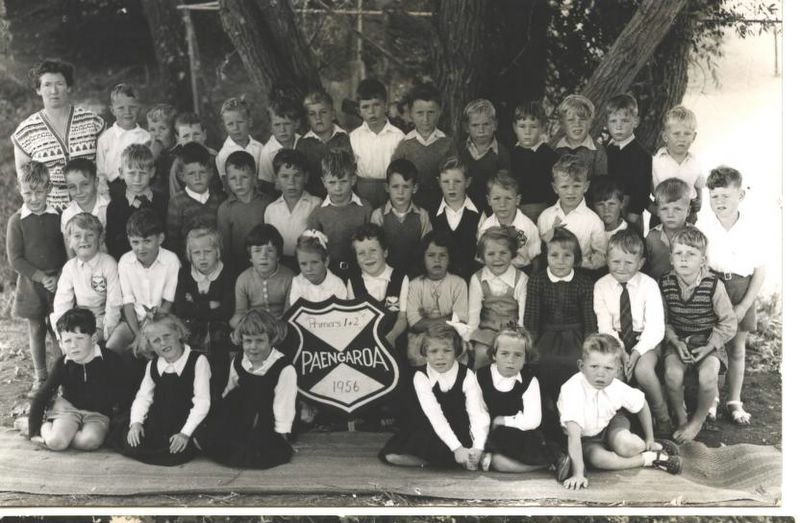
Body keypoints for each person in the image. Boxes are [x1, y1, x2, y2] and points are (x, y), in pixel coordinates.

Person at [557, 333, 681, 490]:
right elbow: (573, 437)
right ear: (581, 366)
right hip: (585, 439)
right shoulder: (572, 390)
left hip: (611, 424)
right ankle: (651, 458)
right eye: (594, 366)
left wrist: (649, 437)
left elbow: (642, 404)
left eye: (608, 368)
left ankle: (650, 444)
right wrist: (578, 474)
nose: (601, 374)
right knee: (598, 459)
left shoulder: (615, 386)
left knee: (629, 446)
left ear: (618, 370)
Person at [696, 166, 766, 425]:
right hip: (713, 288)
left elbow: (760, 271)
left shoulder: (752, 228)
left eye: (726, 195)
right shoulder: (704, 226)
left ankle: (734, 400)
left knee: (736, 348)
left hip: (741, 289)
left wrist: (744, 305)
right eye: (714, 196)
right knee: (715, 345)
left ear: (741, 195)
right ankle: (712, 398)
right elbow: (701, 263)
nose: (720, 201)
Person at [660, 227, 737, 443]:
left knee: (708, 376)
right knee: (672, 374)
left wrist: (710, 346)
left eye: (691, 254)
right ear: (671, 258)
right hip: (678, 340)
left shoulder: (714, 285)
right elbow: (662, 321)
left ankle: (698, 421)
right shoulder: (664, 283)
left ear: (703, 260)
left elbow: (729, 322)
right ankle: (682, 417)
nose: (683, 259)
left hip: (708, 341)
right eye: (678, 253)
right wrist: (675, 342)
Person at [379, 324, 489, 470]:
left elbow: (477, 413)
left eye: (447, 350)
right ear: (425, 353)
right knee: (392, 456)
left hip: (461, 428)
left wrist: (478, 447)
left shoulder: (467, 375)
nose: (440, 356)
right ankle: (451, 460)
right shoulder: (421, 376)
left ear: (456, 351)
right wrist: (456, 448)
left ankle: (469, 456)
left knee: (477, 441)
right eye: (433, 351)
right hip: (432, 427)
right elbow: (435, 415)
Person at [593, 229, 671, 435]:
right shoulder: (601, 286)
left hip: (645, 341)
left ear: (641, 263)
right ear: (607, 259)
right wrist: (620, 351)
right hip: (614, 340)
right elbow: (604, 326)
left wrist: (636, 352)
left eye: (629, 262)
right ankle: (617, 422)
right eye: (616, 261)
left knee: (643, 371)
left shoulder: (649, 285)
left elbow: (656, 327)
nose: (622, 267)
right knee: (614, 372)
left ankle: (662, 415)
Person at [204, 309, 296, 469]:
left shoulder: (283, 367)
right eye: (248, 341)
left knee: (259, 450)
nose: (253, 347)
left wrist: (282, 433)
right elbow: (230, 388)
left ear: (271, 340)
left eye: (260, 341)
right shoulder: (239, 360)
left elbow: (284, 404)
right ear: (241, 341)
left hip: (267, 416)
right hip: (242, 414)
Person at [117, 311, 211, 466]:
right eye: (156, 340)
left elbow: (202, 402)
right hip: (159, 421)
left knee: (176, 453)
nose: (163, 343)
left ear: (178, 333)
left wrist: (185, 433)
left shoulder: (198, 361)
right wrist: (136, 423)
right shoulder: (153, 365)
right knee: (132, 444)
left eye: (167, 336)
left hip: (186, 421)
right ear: (150, 345)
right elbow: (143, 397)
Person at [26, 308, 127, 451]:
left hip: (97, 414)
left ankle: (67, 435)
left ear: (93, 338)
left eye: (79, 338)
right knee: (56, 442)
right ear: (61, 344)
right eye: (67, 341)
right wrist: (34, 431)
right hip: (68, 409)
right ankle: (47, 428)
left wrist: (118, 424)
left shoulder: (110, 360)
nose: (73, 345)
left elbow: (125, 392)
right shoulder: (63, 364)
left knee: (89, 442)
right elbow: (42, 396)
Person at [6, 161, 67, 395]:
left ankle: (61, 377)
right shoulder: (17, 221)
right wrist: (41, 277)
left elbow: (65, 251)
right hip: (31, 285)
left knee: (58, 330)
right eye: (28, 193)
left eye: (39, 192)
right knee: (37, 329)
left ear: (49, 188)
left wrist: (59, 276)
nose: (34, 198)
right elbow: (15, 259)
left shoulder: (58, 216)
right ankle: (41, 376)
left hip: (57, 285)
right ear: (20, 190)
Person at [12, 59, 105, 211]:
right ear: (38, 90)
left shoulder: (92, 122)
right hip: (50, 212)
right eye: (47, 85)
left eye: (60, 84)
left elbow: (106, 168)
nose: (54, 91)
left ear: (69, 87)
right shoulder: (26, 131)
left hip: (92, 209)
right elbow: (24, 180)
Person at [523, 228, 596, 415]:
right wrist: (529, 345)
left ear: (576, 257)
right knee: (540, 361)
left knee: (575, 362)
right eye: (554, 255)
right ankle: (547, 412)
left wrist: (590, 346)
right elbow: (531, 319)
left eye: (567, 255)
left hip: (575, 336)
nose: (560, 261)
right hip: (545, 335)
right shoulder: (537, 281)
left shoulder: (584, 282)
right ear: (546, 256)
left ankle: (573, 411)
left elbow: (589, 319)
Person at [476, 325, 552, 473]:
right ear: (494, 355)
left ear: (526, 358)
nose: (510, 360)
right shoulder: (481, 376)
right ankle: (547, 465)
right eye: (504, 354)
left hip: (518, 434)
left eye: (518, 355)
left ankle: (547, 463)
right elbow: (478, 411)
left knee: (504, 441)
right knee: (497, 461)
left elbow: (533, 420)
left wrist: (503, 420)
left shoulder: (529, 381)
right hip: (486, 431)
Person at [116, 209, 181, 371]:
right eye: (135, 242)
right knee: (112, 348)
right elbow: (128, 304)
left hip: (163, 317)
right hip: (134, 321)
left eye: (147, 241)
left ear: (160, 239)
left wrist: (150, 330)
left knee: (163, 349)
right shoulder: (125, 262)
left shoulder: (171, 260)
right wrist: (139, 335)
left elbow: (168, 301)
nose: (141, 248)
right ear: (129, 240)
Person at [174, 227, 235, 397]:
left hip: (219, 326)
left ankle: (217, 394)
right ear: (189, 255)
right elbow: (181, 309)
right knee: (189, 354)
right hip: (192, 325)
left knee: (218, 355)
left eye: (207, 252)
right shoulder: (185, 274)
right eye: (196, 253)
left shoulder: (227, 274)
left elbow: (226, 311)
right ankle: (192, 394)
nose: (202, 257)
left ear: (218, 252)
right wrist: (209, 305)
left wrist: (195, 306)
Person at [51, 213, 125, 351]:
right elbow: (62, 303)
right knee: (72, 346)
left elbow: (114, 303)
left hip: (103, 319)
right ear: (69, 241)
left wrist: (103, 331)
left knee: (98, 348)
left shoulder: (108, 264)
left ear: (100, 238)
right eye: (77, 236)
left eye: (90, 235)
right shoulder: (70, 267)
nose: (83, 240)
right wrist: (63, 331)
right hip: (79, 319)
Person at [467, 226, 528, 370]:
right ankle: (481, 380)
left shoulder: (521, 279)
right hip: (487, 331)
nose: (497, 259)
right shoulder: (477, 279)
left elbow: (523, 317)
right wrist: (469, 337)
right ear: (482, 256)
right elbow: (473, 314)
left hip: (512, 331)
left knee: (512, 355)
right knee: (482, 354)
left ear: (512, 254)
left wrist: (520, 338)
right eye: (491, 254)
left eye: (503, 253)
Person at [306, 149, 373, 280]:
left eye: (343, 181)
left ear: (353, 180)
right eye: (332, 182)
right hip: (329, 274)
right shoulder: (317, 214)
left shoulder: (365, 209)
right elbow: (312, 251)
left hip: (362, 272)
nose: (338, 188)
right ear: (324, 182)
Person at [391, 82, 457, 214]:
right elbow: (395, 178)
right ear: (411, 114)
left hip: (442, 207)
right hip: (412, 208)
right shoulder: (404, 145)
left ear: (439, 112)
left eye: (431, 112)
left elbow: (455, 177)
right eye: (420, 113)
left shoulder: (447, 143)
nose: (426, 119)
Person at [406, 232, 469, 367]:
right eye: (431, 255)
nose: (437, 260)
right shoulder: (414, 285)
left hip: (451, 335)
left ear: (450, 258)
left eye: (442, 255)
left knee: (453, 351)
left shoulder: (458, 283)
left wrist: (429, 322)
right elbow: (415, 322)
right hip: (422, 336)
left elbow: (460, 319)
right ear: (423, 258)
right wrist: (448, 319)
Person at [537, 154, 607, 271]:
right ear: (555, 188)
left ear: (586, 186)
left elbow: (601, 256)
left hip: (581, 275)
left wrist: (586, 262)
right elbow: (539, 251)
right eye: (564, 186)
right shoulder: (545, 216)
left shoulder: (593, 221)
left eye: (576, 186)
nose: (570, 192)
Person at [347, 224, 409, 349]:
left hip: (393, 341)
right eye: (361, 253)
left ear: (385, 252)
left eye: (373, 250)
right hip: (365, 344)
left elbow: (402, 318)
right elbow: (353, 318)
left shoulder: (400, 278)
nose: (368, 257)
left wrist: (391, 338)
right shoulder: (353, 282)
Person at [105, 143, 169, 260]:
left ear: (152, 172)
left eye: (142, 173)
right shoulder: (115, 207)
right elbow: (113, 244)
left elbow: (168, 239)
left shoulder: (163, 202)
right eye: (132, 173)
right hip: (127, 265)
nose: (137, 179)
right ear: (121, 173)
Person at [370, 158, 432, 278]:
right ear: (387, 187)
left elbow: (428, 249)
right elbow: (375, 250)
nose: (400, 192)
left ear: (415, 188)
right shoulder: (378, 215)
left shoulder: (422, 215)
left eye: (406, 186)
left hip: (416, 275)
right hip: (386, 276)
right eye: (395, 186)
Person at [349, 78, 405, 209]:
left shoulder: (398, 137)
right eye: (365, 107)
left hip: (391, 193)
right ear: (359, 111)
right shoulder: (354, 137)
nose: (371, 111)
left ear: (386, 106)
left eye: (376, 105)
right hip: (362, 193)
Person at [216, 151, 274, 276]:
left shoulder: (268, 203)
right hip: (237, 266)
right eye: (233, 178)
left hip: (266, 261)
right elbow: (225, 248)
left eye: (244, 177)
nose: (238, 183)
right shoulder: (225, 209)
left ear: (254, 178)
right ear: (227, 181)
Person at [263, 149, 322, 271]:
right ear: (276, 179)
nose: (291, 182)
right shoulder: (271, 209)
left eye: (297, 175)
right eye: (285, 176)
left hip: (308, 263)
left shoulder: (316, 204)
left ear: (306, 177)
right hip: (280, 265)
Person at [165, 142, 225, 260]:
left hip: (215, 259)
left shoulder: (219, 199)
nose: (197, 178)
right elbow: (172, 239)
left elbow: (222, 235)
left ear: (211, 173)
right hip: (187, 261)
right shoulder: (177, 202)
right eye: (191, 173)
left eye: (202, 172)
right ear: (182, 176)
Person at [230, 224, 294, 327]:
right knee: (234, 322)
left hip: (280, 324)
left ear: (278, 256)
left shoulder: (290, 278)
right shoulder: (243, 279)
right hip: (254, 326)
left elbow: (289, 314)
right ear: (250, 257)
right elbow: (240, 312)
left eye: (270, 250)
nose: (264, 256)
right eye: (257, 250)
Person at [604, 94, 651, 234]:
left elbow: (642, 192)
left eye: (624, 121)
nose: (618, 126)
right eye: (613, 121)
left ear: (635, 121)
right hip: (606, 212)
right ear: (607, 123)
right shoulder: (605, 151)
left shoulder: (642, 155)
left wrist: (631, 218)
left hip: (629, 215)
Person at [476, 171, 541, 272]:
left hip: (522, 270)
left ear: (517, 200)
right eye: (496, 198)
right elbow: (482, 259)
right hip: (494, 272)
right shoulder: (485, 228)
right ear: (489, 200)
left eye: (508, 198)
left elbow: (535, 257)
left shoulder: (528, 226)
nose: (502, 204)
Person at [431, 157, 482, 281]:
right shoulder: (432, 212)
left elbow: (483, 251)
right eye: (446, 181)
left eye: (457, 181)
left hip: (472, 277)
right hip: (440, 279)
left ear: (467, 182)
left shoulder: (479, 213)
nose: (451, 187)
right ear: (439, 182)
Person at [651, 105, 704, 225]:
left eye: (687, 134)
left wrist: (700, 200)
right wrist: (654, 210)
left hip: (688, 213)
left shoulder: (694, 162)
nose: (682, 139)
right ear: (665, 136)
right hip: (662, 211)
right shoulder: (656, 161)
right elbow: (646, 190)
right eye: (676, 134)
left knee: (686, 237)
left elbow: (698, 184)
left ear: (694, 137)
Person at [95, 83, 150, 199]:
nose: (127, 112)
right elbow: (101, 172)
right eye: (121, 108)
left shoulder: (146, 138)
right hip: (112, 191)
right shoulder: (105, 138)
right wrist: (104, 191)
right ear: (112, 110)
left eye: (132, 107)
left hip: (139, 189)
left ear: (139, 108)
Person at [296, 89, 353, 198]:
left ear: (333, 114)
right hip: (313, 199)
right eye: (312, 114)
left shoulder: (346, 138)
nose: (318, 117)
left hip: (342, 197)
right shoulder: (303, 144)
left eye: (323, 112)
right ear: (307, 119)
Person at [509, 100, 558, 224]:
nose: (527, 132)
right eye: (522, 126)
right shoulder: (509, 155)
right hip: (514, 213)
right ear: (514, 127)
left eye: (533, 126)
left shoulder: (551, 156)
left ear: (542, 128)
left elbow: (555, 191)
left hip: (543, 213)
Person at [458, 99, 510, 213]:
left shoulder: (502, 154)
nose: (481, 130)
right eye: (475, 125)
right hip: (464, 210)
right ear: (466, 127)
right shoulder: (459, 151)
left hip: (492, 211)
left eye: (486, 124)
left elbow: (505, 187)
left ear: (495, 125)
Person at [644, 178, 693, 280]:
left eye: (677, 209)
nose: (670, 215)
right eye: (664, 209)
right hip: (657, 287)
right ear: (657, 211)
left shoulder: (695, 236)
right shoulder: (651, 237)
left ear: (688, 211)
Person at [60, 158, 109, 257]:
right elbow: (70, 252)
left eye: (85, 184)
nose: (79, 191)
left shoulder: (107, 207)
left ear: (96, 182)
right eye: (72, 187)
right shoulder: (68, 214)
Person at [286, 230, 347, 307]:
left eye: (314, 262)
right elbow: (296, 310)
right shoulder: (298, 283)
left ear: (326, 262)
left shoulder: (337, 285)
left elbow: (341, 311)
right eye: (303, 264)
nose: (309, 269)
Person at [553, 94, 607, 179]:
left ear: (590, 123)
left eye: (582, 119)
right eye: (571, 120)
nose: (577, 124)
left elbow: (602, 183)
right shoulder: (554, 149)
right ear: (562, 124)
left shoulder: (598, 151)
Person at [168, 112, 221, 197]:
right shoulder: (177, 165)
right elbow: (175, 196)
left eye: (196, 134)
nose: (192, 140)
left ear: (204, 135)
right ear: (178, 139)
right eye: (186, 136)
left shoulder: (215, 158)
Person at [257, 96, 303, 193]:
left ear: (297, 124)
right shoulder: (267, 153)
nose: (282, 130)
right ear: (270, 127)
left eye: (287, 124)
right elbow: (267, 185)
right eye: (277, 125)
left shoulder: (304, 142)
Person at [216, 97, 264, 185]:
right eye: (230, 124)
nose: (236, 128)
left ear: (250, 122)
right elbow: (226, 185)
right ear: (224, 127)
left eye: (240, 122)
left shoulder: (259, 148)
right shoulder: (223, 155)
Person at [145, 103, 179, 196]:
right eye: (152, 130)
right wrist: (151, 158)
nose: (156, 134)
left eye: (162, 129)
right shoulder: (146, 149)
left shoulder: (179, 151)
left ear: (173, 130)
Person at [590, 176, 629, 243]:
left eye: (611, 204)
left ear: (622, 204)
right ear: (593, 206)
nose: (606, 209)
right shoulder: (590, 231)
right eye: (600, 204)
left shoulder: (631, 233)